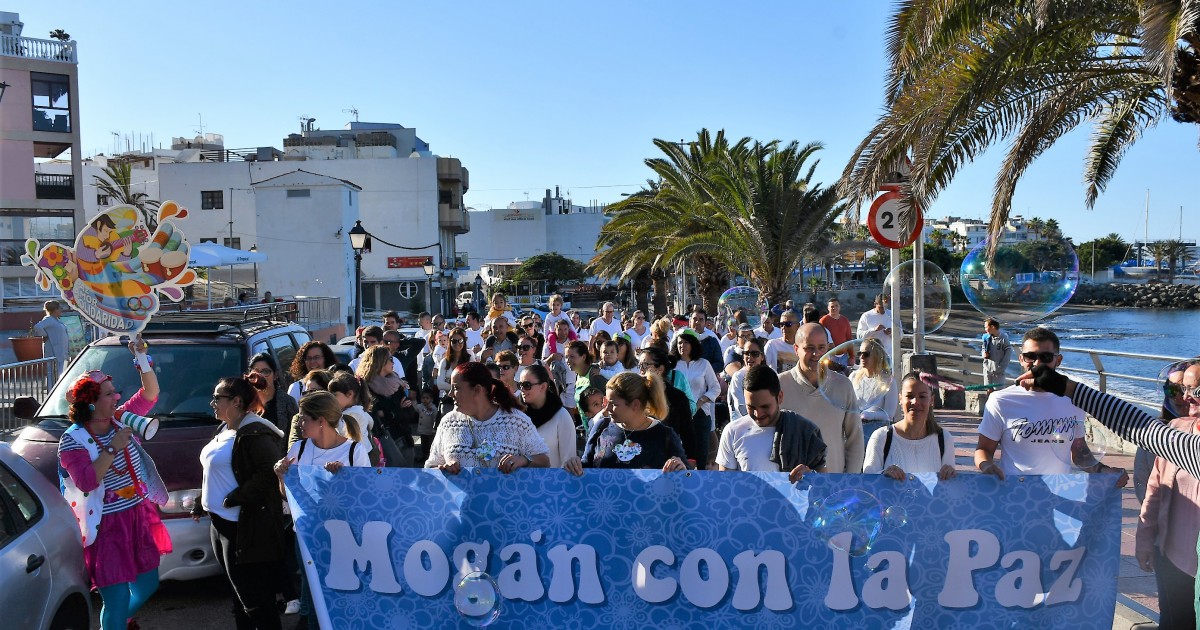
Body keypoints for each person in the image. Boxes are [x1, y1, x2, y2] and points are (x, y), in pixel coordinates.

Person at [58, 337, 167, 630]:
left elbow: (151, 393)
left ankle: (121, 621)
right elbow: (86, 481)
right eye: (109, 394)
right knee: (116, 600)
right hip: (105, 527)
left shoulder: (121, 419)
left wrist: (141, 357)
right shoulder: (72, 440)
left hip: (137, 517)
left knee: (148, 585)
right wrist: (112, 448)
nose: (117, 397)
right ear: (90, 404)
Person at [975, 327, 1128, 485]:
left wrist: (1105, 471)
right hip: (1015, 495)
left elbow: (1079, 451)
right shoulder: (1000, 400)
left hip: (1059, 493)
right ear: (1021, 359)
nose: (1037, 363)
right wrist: (987, 466)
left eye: (1046, 357)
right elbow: (984, 449)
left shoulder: (1073, 400)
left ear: (1058, 360)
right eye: (1030, 356)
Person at [272, 390, 369, 629]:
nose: (300, 423)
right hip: (305, 535)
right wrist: (281, 477)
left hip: (344, 537)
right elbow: (288, 496)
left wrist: (342, 481)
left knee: (342, 593)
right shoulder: (298, 449)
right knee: (314, 593)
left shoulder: (354, 451)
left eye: (304, 418)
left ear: (321, 421)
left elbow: (367, 499)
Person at [197, 373, 286, 630]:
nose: (212, 403)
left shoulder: (255, 432)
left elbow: (269, 472)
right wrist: (199, 500)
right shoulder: (226, 428)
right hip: (219, 523)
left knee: (254, 599)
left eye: (217, 398)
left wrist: (236, 497)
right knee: (238, 597)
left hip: (243, 528)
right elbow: (218, 471)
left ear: (236, 401)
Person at [1136, 369, 1200, 630]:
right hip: (1172, 556)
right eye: (1184, 389)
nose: (1186, 398)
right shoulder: (1175, 432)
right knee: (1174, 622)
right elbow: (1154, 489)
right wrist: (1144, 540)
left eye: (1196, 391)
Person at [426, 362, 550, 472]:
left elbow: (544, 461)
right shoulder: (448, 422)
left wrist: (524, 460)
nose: (450, 394)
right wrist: (442, 469)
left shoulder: (517, 421)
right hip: (462, 498)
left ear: (477, 390)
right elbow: (431, 466)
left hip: (505, 498)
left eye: (456, 388)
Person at [779, 323, 864, 473]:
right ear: (796, 349)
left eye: (821, 348)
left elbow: (855, 438)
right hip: (791, 486)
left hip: (834, 485)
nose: (816, 354)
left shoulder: (843, 386)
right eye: (809, 348)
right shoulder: (779, 386)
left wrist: (851, 480)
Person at [717, 365, 826, 481]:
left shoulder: (805, 431)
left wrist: (811, 476)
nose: (758, 414)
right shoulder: (733, 432)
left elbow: (824, 483)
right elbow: (726, 485)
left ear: (780, 397)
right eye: (751, 407)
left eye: (765, 407)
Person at [566, 372, 690, 474]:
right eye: (606, 402)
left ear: (635, 404)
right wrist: (575, 465)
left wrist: (680, 468)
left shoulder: (664, 435)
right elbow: (586, 465)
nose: (606, 409)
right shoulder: (601, 426)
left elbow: (688, 476)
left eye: (614, 404)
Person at [863, 372, 956, 480]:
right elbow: (867, 482)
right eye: (909, 396)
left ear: (932, 400)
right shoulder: (881, 437)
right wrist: (884, 474)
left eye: (922, 396)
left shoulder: (944, 439)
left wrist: (950, 474)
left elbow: (948, 489)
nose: (915, 401)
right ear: (900, 399)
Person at [637, 346, 701, 465]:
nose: (641, 369)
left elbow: (687, 432)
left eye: (645, 365)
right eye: (639, 365)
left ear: (660, 369)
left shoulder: (678, 397)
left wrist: (691, 460)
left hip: (668, 459)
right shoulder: (635, 395)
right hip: (639, 456)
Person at [356, 346, 415, 467]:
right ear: (379, 361)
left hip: (403, 437)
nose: (393, 362)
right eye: (390, 358)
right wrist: (397, 410)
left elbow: (410, 412)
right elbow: (372, 415)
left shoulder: (396, 381)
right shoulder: (364, 386)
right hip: (381, 442)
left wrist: (389, 412)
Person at [671, 329, 721, 468]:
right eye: (680, 342)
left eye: (686, 342)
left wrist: (701, 401)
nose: (682, 346)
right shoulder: (673, 365)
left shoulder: (704, 364)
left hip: (700, 414)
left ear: (693, 344)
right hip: (678, 415)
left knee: (700, 454)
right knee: (680, 452)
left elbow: (715, 388)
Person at [518, 364, 576, 468]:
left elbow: (568, 459)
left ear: (543, 387)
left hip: (552, 481)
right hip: (521, 481)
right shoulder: (517, 416)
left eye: (527, 385)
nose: (522, 390)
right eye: (520, 385)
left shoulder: (561, 416)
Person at [851, 338, 898, 446]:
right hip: (854, 431)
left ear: (877, 356)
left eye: (866, 354)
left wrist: (869, 416)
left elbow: (889, 415)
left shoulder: (888, 380)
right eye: (860, 353)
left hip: (877, 435)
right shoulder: (854, 376)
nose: (861, 357)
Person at [327, 372, 375, 460]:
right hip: (360, 453)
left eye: (334, 395)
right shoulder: (359, 410)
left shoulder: (352, 414)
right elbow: (371, 422)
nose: (331, 399)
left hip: (357, 456)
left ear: (349, 394)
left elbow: (342, 433)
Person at [248, 352, 299, 434]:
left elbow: (296, 435)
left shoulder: (288, 403)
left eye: (266, 371)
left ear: (275, 375)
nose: (261, 376)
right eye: (256, 371)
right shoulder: (244, 402)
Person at [727, 337, 767, 421]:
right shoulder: (738, 377)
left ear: (762, 356)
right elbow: (741, 408)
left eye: (755, 354)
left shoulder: (769, 374)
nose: (750, 357)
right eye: (746, 353)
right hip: (743, 423)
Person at [33, 299, 70, 384]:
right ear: (55, 310)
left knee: (61, 372)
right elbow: (37, 327)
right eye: (59, 308)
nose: (61, 310)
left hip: (61, 351)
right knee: (53, 373)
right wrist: (45, 335)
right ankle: (52, 390)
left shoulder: (56, 320)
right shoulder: (49, 319)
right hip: (54, 350)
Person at [820, 297, 855, 365]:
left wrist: (852, 357)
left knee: (843, 375)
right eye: (832, 306)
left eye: (836, 306)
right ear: (828, 308)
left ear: (840, 307)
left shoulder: (845, 320)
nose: (834, 308)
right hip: (829, 357)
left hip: (844, 357)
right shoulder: (823, 321)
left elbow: (849, 339)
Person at [856, 294, 893, 359]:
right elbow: (859, 336)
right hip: (871, 356)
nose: (883, 310)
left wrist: (892, 332)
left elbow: (900, 335)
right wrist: (874, 330)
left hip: (888, 355)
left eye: (885, 307)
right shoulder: (866, 316)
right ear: (875, 304)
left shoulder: (892, 314)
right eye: (881, 307)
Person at [981, 317, 1012, 390]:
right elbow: (983, 348)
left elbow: (1008, 354)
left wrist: (1000, 368)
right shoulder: (987, 338)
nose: (985, 329)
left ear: (992, 327)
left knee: (998, 391)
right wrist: (984, 355)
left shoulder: (1003, 338)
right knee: (988, 390)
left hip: (998, 372)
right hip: (987, 369)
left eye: (986, 327)